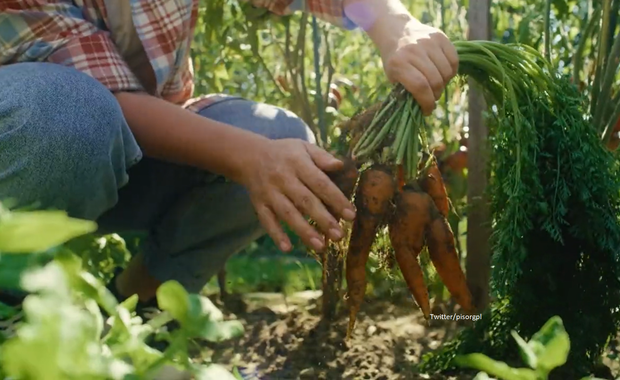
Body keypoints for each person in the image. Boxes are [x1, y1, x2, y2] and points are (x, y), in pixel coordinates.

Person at [0, 0, 458, 311]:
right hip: (31, 150)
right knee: (71, 114)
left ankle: (136, 306)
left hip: (131, 148)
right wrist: (252, 158)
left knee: (277, 135)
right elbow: (103, 100)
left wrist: (396, 27)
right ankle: (14, 301)